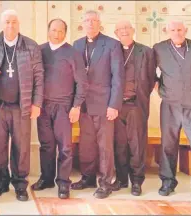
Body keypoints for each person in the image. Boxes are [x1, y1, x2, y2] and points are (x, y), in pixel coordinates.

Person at [0, 9, 44, 201]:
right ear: (2, 24)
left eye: (14, 22)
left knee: (22, 147)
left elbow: (39, 77)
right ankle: (1, 183)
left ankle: (20, 184)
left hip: (22, 106)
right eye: (7, 22)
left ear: (19, 24)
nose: (11, 25)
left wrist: (37, 103)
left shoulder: (31, 46)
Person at [153, 20, 191, 203]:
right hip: (170, 105)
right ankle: (168, 182)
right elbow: (151, 73)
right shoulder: (159, 49)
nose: (177, 32)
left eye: (180, 29)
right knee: (168, 145)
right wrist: (160, 89)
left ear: (185, 30)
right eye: (173, 29)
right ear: (167, 31)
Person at [31, 18, 88, 199]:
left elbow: (82, 82)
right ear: (48, 30)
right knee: (46, 145)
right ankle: (46, 178)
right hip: (43, 106)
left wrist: (76, 106)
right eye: (54, 30)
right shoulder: (40, 51)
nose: (57, 34)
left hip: (64, 106)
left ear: (65, 32)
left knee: (65, 147)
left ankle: (63, 183)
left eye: (60, 31)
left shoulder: (73, 53)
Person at [70, 10, 124, 199]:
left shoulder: (112, 44)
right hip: (83, 104)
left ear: (99, 24)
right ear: (82, 24)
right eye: (87, 20)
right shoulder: (76, 45)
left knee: (105, 146)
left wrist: (114, 105)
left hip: (104, 104)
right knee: (87, 145)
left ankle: (106, 182)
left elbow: (118, 77)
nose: (90, 24)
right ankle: (88, 178)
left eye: (94, 21)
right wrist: (74, 104)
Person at [112, 20, 157, 196]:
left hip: (136, 104)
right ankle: (122, 180)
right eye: (120, 28)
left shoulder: (146, 51)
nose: (124, 31)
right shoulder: (112, 49)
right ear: (116, 33)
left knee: (137, 144)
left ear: (133, 30)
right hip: (116, 106)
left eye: (127, 28)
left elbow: (152, 77)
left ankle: (137, 181)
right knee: (120, 144)